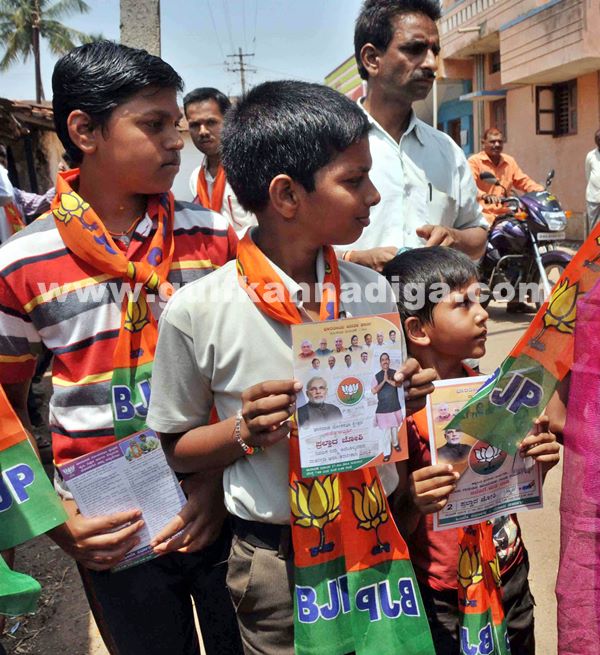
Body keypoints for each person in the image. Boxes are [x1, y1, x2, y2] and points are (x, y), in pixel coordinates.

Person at [146, 79, 435, 655]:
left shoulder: (372, 291)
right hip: (277, 560)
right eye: (354, 180)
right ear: (286, 195)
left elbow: (386, 422)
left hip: (378, 540)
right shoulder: (199, 310)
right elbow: (174, 446)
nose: (374, 195)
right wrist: (242, 431)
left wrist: (407, 396)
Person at [0, 42, 242, 655]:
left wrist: (214, 482)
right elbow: (8, 409)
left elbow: (241, 373)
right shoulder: (22, 261)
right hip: (110, 518)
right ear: (85, 131)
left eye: (177, 124)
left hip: (217, 497)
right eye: (154, 125)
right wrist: (59, 522)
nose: (177, 142)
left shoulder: (215, 238)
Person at [382, 246, 560, 654]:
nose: (482, 314)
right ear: (418, 330)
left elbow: (507, 485)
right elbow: (389, 526)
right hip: (442, 596)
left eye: (480, 299)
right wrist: (413, 500)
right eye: (463, 303)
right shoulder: (397, 416)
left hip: (508, 573)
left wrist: (537, 462)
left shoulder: (495, 392)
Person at [339, 0, 488, 271]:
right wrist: (353, 260)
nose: (431, 63)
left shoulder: (446, 150)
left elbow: (477, 236)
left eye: (435, 51)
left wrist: (454, 238)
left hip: (432, 298)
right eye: (415, 49)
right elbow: (291, 245)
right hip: (350, 298)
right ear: (371, 59)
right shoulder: (329, 146)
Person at [185, 87, 256, 236]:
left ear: (229, 121)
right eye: (195, 125)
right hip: (212, 250)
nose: (203, 131)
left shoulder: (251, 170)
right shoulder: (196, 178)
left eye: (211, 122)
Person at [469, 127, 544, 225]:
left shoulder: (509, 161)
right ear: (483, 143)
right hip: (482, 215)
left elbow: (523, 181)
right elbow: (470, 186)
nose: (497, 145)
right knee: (483, 233)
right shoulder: (474, 161)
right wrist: (484, 196)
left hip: (506, 214)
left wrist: (541, 192)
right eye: (492, 142)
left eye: (500, 142)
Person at [371, 352, 403, 461]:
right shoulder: (376, 376)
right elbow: (374, 391)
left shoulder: (395, 373)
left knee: (394, 429)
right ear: (380, 363)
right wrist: (383, 381)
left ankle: (395, 444)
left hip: (394, 407)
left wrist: (388, 380)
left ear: (389, 361)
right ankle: (386, 453)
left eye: (386, 359)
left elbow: (399, 384)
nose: (385, 361)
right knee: (385, 433)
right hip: (382, 410)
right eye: (382, 360)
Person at [585, 129, 600, 232]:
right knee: (594, 227)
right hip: (593, 197)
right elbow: (588, 174)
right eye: (598, 140)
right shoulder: (591, 156)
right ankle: (595, 243)